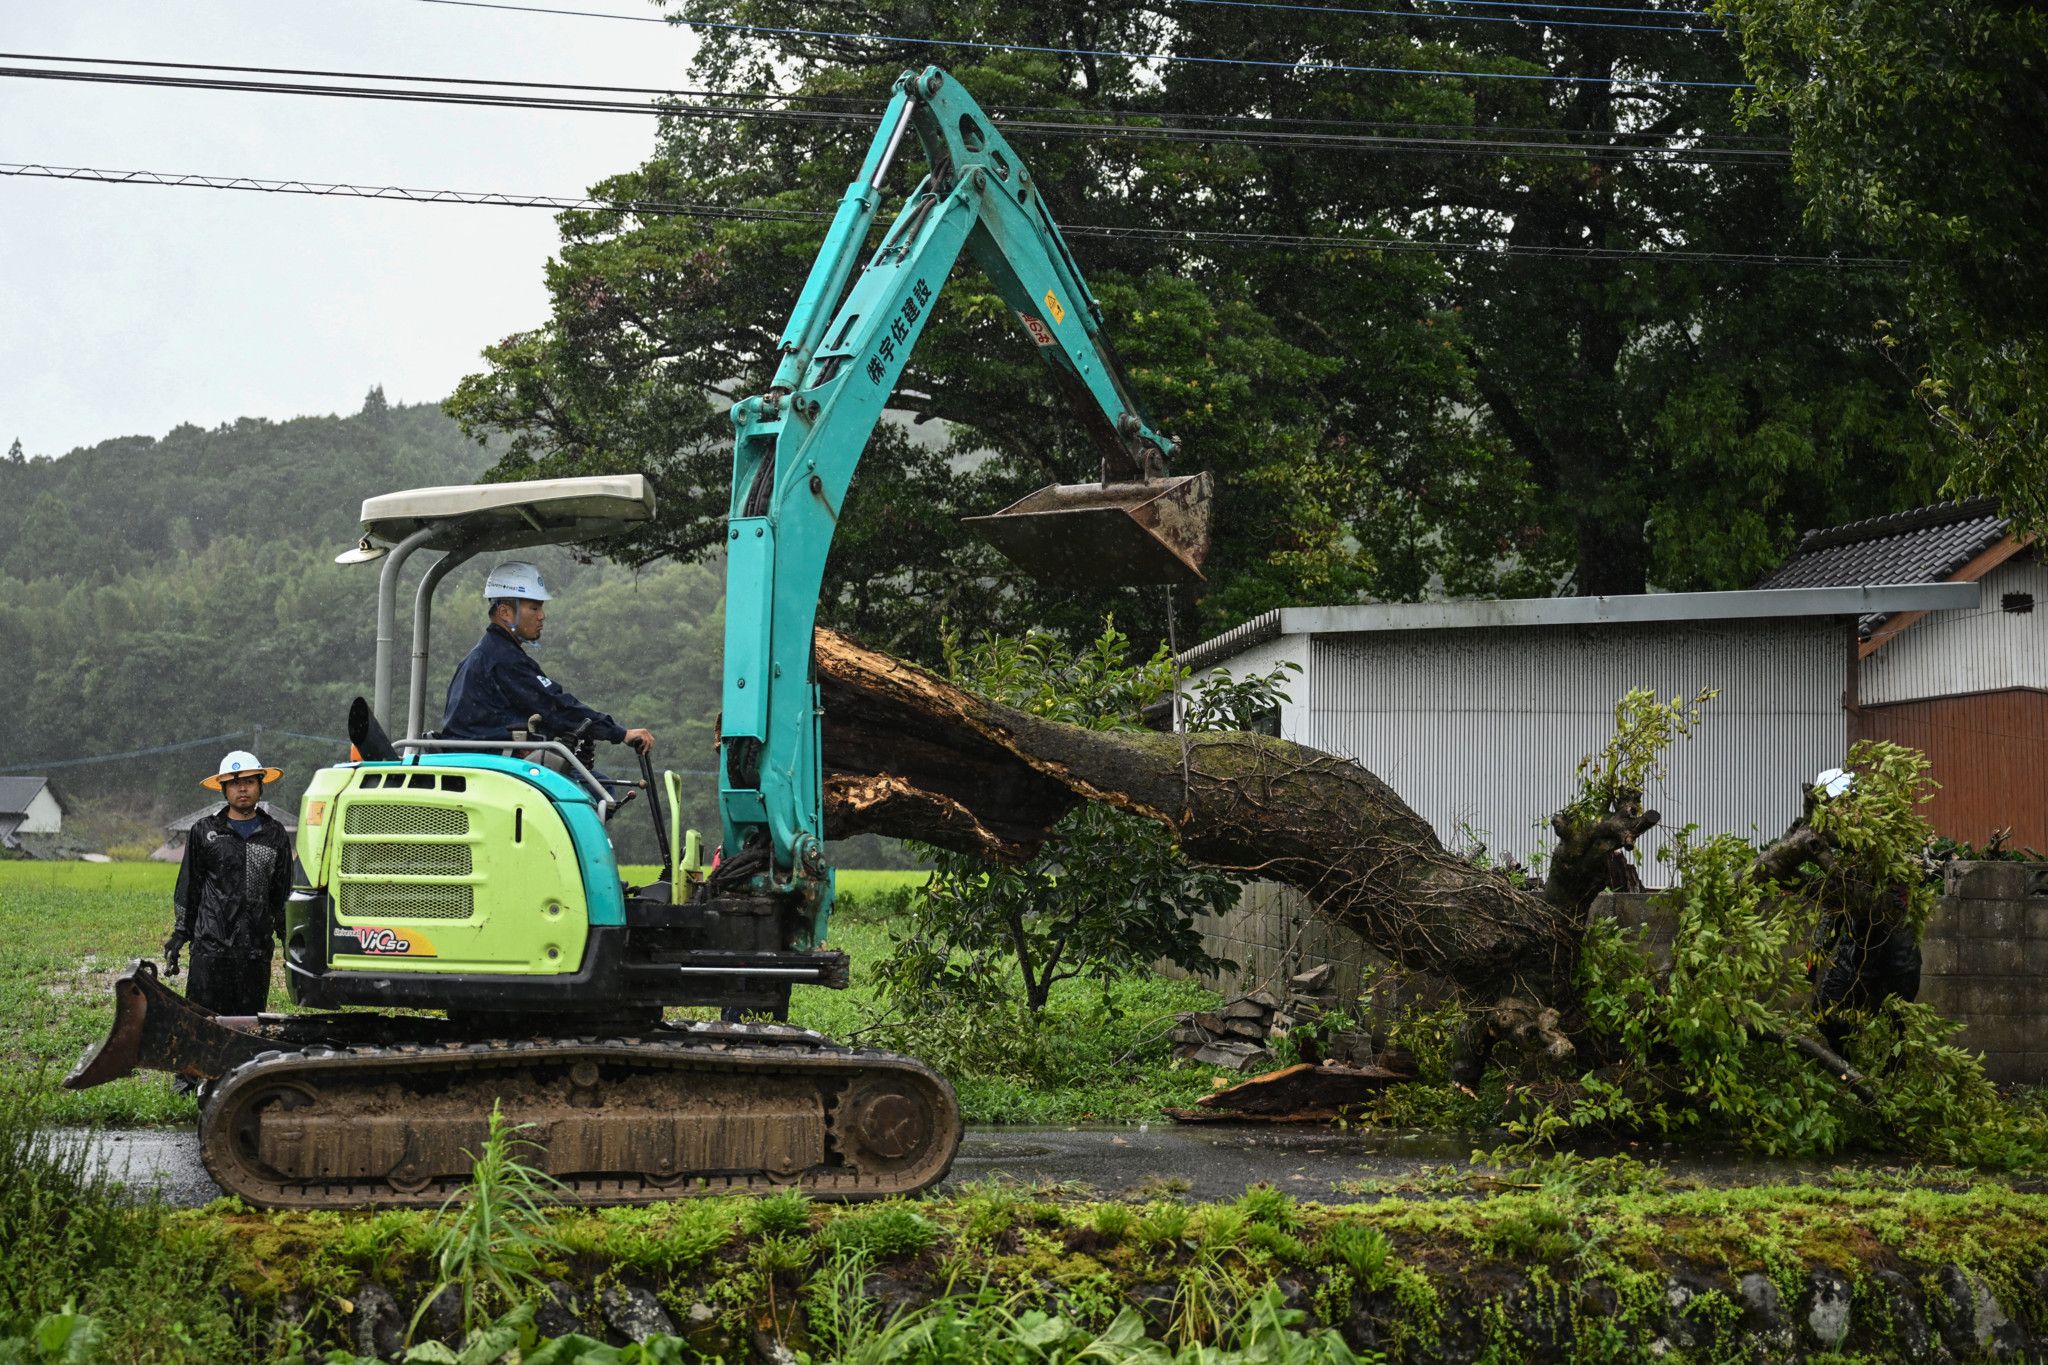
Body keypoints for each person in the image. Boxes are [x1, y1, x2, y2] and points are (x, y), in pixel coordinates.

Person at [440, 561, 655, 756]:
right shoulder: (503, 659)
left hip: (481, 760)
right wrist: (619, 733)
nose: (542, 615)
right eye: (534, 608)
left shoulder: (489, 653)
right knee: (597, 789)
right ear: (505, 612)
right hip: (491, 766)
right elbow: (554, 706)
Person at [163, 750, 294, 1017]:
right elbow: (190, 887)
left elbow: (281, 894)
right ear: (224, 789)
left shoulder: (274, 834)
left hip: (255, 952)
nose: (242, 788)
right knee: (203, 1021)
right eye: (234, 783)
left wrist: (289, 940)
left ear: (260, 785)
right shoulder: (205, 831)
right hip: (210, 950)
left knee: (246, 1025)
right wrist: (180, 935)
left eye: (249, 781)